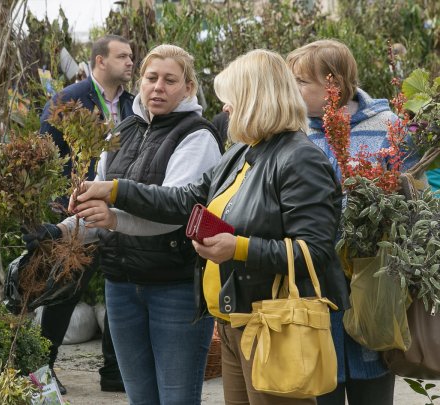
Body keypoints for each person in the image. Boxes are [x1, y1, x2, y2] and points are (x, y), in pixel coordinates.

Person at [71, 49, 350, 405]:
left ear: (255, 99)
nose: (226, 110)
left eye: (231, 100)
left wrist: (238, 248)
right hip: (236, 320)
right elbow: (184, 200)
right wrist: (114, 190)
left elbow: (315, 252)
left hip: (273, 326)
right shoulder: (242, 152)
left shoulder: (300, 159)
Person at [30, 44, 223, 404]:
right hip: (121, 287)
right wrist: (57, 232)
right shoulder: (121, 132)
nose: (158, 87)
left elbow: (176, 209)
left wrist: (114, 209)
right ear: (141, 81)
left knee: (176, 398)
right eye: (151, 78)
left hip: (174, 288)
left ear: (188, 87)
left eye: (170, 80)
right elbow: (100, 214)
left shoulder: (197, 135)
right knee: (139, 397)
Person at [286, 39, 417, 405]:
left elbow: (412, 194)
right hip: (314, 284)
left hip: (371, 282)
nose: (291, 90)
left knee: (372, 383)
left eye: (301, 82)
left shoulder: (386, 124)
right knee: (322, 385)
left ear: (334, 84)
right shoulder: (293, 131)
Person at [35, 34, 135, 394]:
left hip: (118, 210)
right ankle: (43, 367)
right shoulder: (69, 99)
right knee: (67, 288)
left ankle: (113, 371)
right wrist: (63, 203)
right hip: (76, 211)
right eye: (122, 56)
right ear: (99, 61)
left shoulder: (133, 105)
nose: (129, 62)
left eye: (131, 57)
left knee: (118, 287)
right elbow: (45, 152)